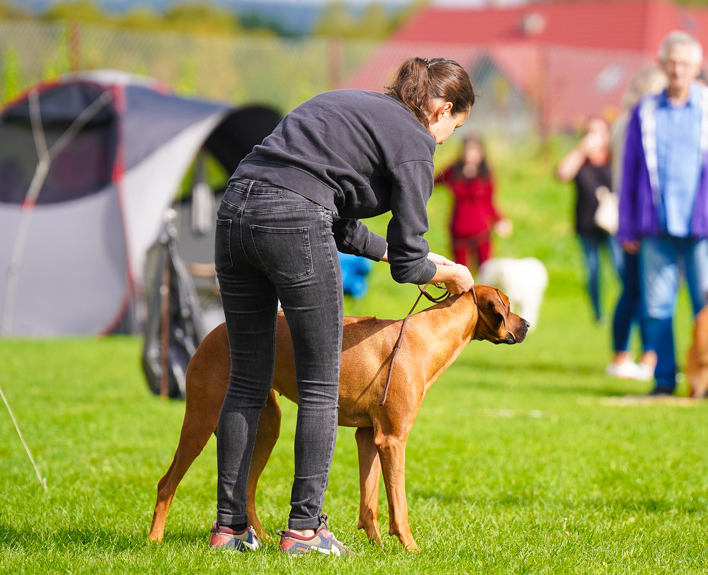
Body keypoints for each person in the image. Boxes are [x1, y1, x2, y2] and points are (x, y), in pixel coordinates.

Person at [209, 57, 476, 554]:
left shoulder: (349, 103)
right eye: (452, 129)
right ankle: (305, 530)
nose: (444, 141)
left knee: (247, 379)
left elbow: (331, 208)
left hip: (234, 211)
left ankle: (229, 530)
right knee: (318, 383)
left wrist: (404, 253)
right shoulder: (416, 140)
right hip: (292, 222)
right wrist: (453, 272)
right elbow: (409, 266)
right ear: (441, 110)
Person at [617, 31, 708, 395]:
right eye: (672, 62)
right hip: (654, 226)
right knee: (656, 307)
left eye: (686, 64)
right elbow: (629, 171)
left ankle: (706, 381)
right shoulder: (645, 110)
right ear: (661, 65)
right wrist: (626, 225)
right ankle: (663, 380)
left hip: (704, 228)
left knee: (705, 308)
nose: (678, 70)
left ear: (697, 67)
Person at [606, 67, 666, 380]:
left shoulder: (623, 121)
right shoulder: (637, 123)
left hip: (629, 216)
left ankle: (627, 356)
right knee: (642, 290)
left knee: (634, 289)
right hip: (638, 218)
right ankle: (644, 358)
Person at [557, 116, 621, 324]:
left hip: (614, 226)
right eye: (589, 132)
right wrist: (581, 150)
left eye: (599, 132)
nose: (593, 137)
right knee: (593, 272)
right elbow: (562, 174)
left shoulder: (615, 159)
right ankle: (598, 314)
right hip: (587, 225)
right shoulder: (580, 161)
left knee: (620, 268)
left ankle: (626, 308)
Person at [434, 135, 511, 270]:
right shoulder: (453, 170)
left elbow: (489, 202)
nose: (471, 155)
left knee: (486, 270)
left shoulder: (485, 173)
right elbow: (431, 182)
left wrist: (500, 220)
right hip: (459, 229)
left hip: (481, 231)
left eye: (475, 151)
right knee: (460, 271)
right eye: (468, 150)